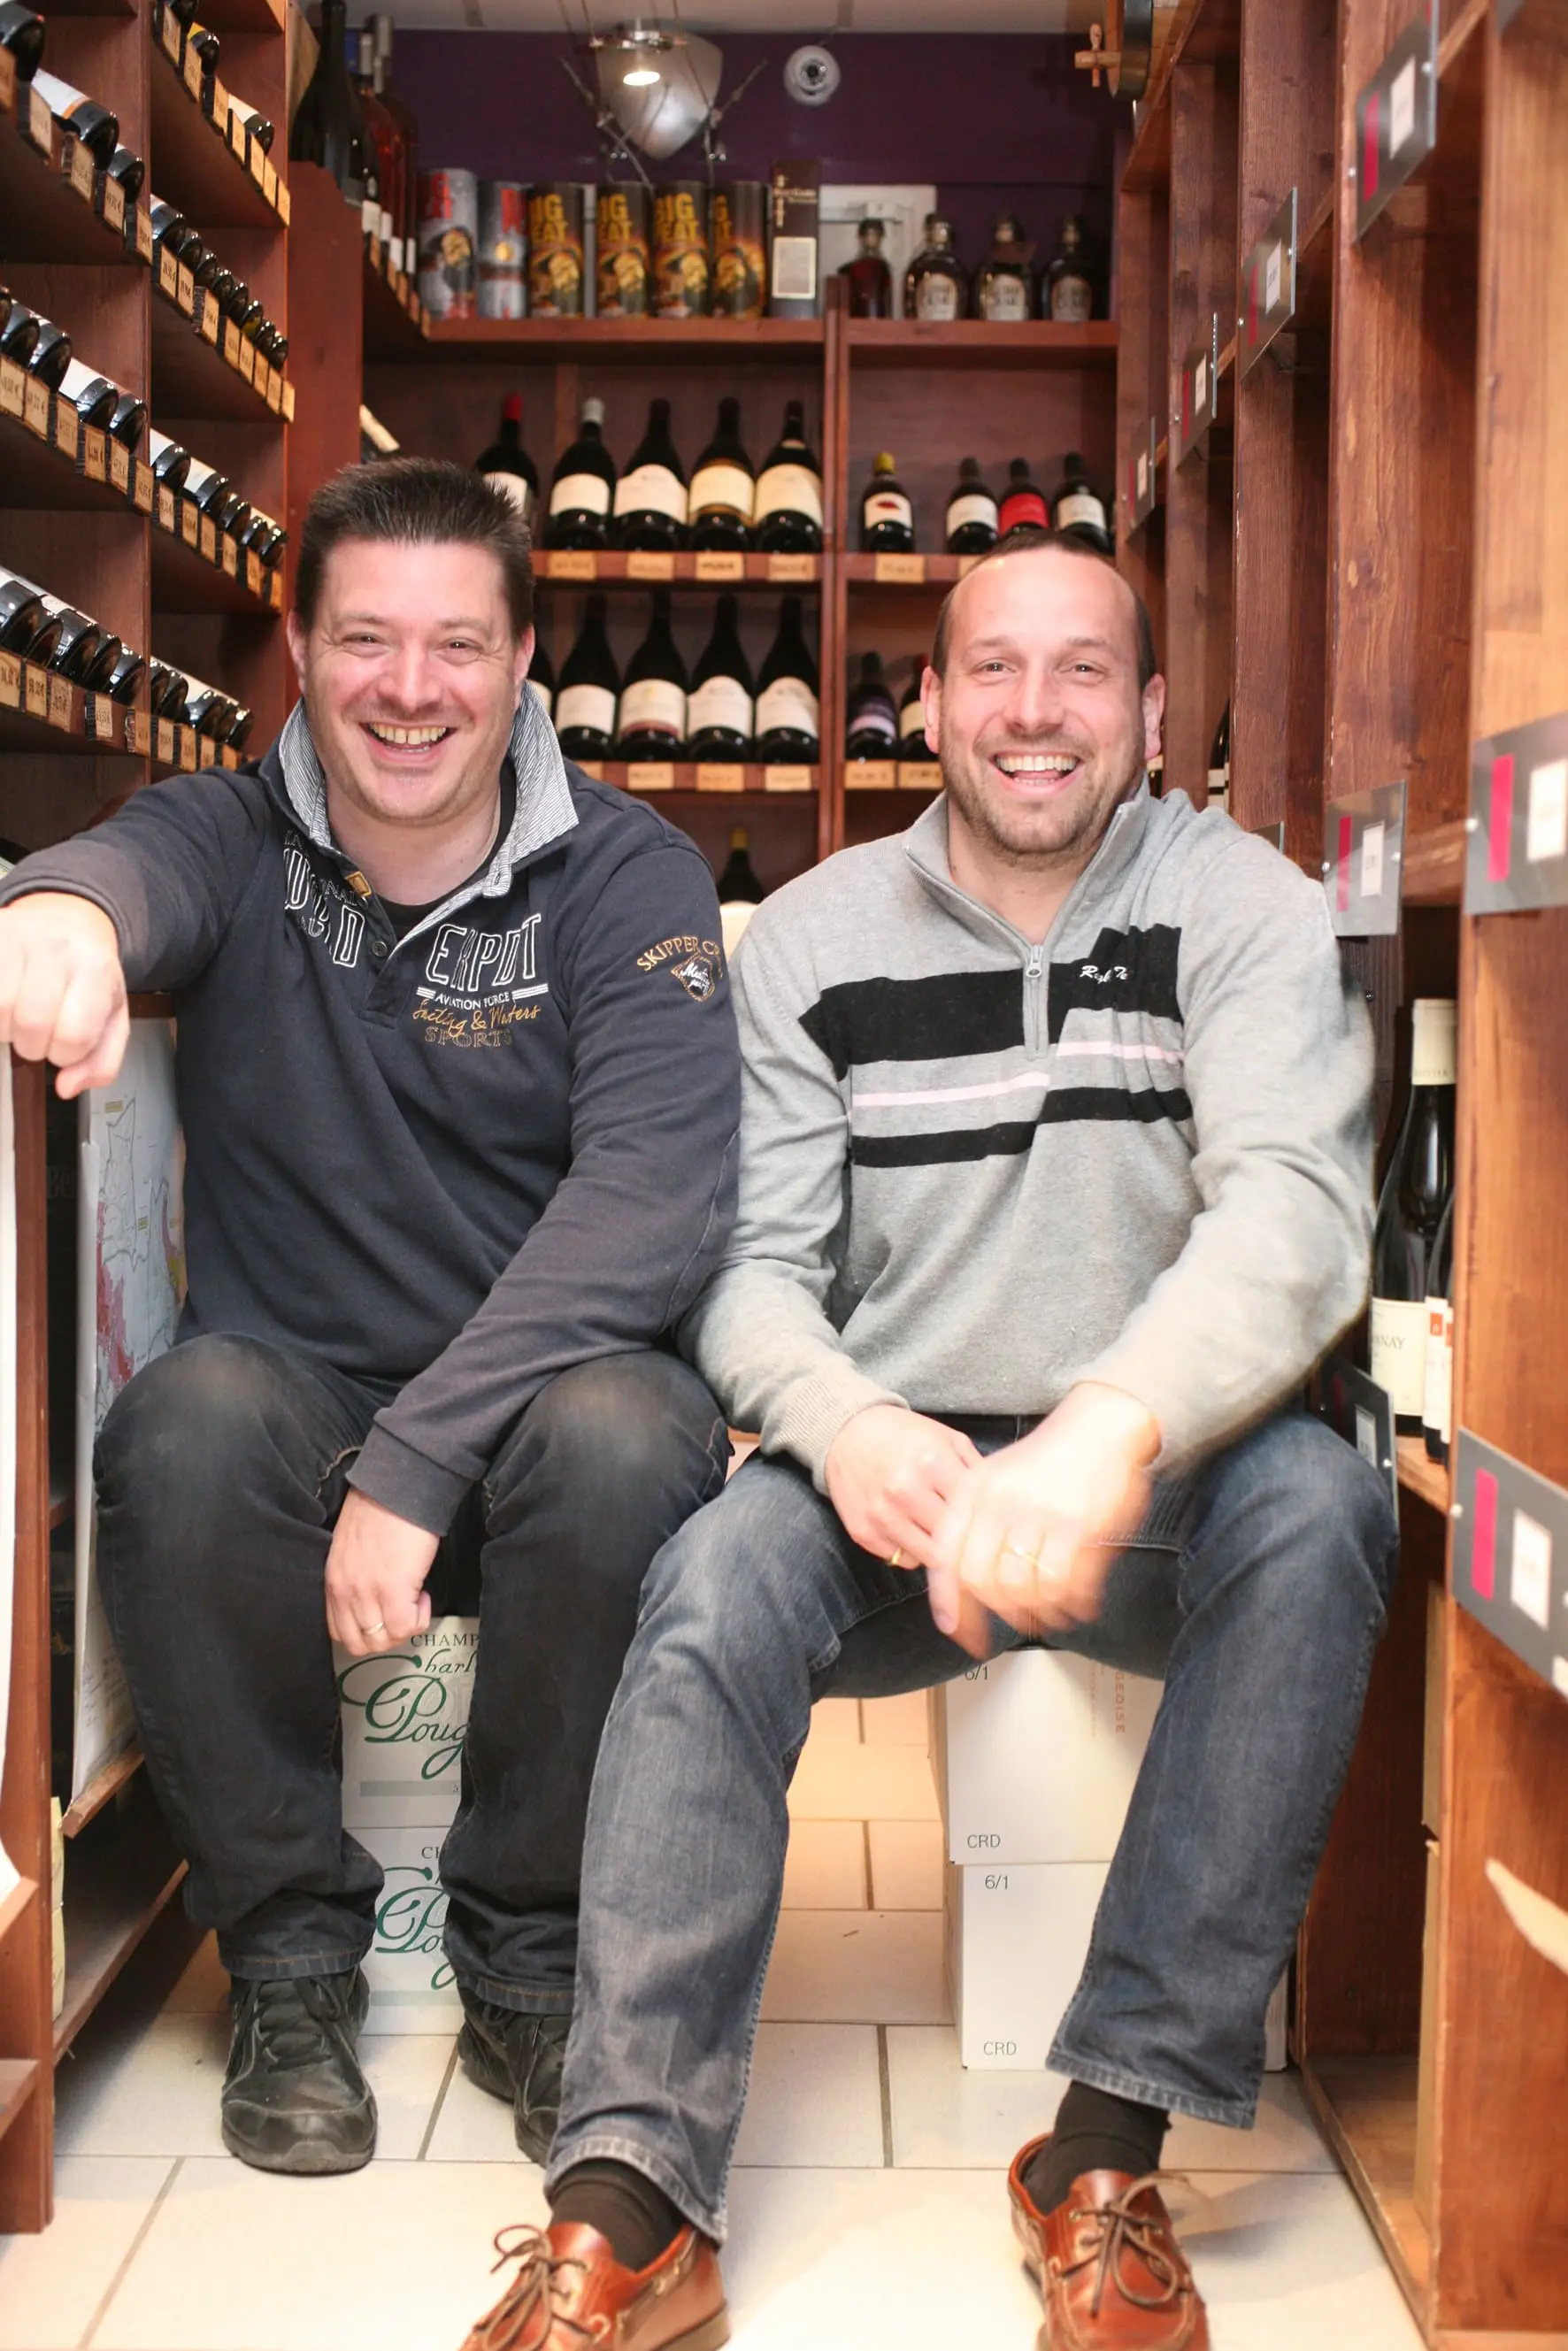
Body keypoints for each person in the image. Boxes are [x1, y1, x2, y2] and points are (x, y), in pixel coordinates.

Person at [457, 528, 1400, 2351]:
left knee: (1323, 1505)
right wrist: (841, 1414)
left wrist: (1109, 1426)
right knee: (717, 1570)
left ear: (1140, 706)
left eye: (1078, 672)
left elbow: (1294, 1211)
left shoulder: (1245, 906)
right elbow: (748, 1270)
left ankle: (1102, 2152)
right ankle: (635, 2193)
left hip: (1161, 1474)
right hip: (895, 1474)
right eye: (992, 669)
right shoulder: (807, 937)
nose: (1031, 713)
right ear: (929, 700)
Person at [0, 459, 740, 2178]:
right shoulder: (230, 833)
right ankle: (290, 1958)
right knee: (176, 1431)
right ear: (301, 645)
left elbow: (647, 1203)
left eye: (457, 645)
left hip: (551, 1414)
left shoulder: (629, 877)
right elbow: (111, 869)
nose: (412, 687)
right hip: (296, 1408)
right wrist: (54, 918)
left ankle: (535, 1957)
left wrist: (416, 1460)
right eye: (369, 640)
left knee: (637, 1428)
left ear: (524, 657)